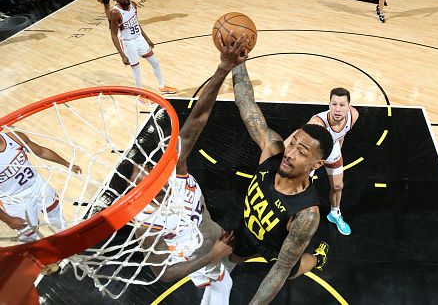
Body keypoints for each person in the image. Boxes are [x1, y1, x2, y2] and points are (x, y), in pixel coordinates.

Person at [133, 34, 250, 304]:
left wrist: (223, 69)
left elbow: (198, 117)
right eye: (142, 180)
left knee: (225, 275)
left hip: (215, 238)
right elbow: (163, 274)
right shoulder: (147, 223)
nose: (151, 176)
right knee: (222, 284)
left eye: (150, 170)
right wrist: (212, 256)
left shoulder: (173, 171)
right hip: (200, 261)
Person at [230, 62, 332, 304]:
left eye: (302, 151)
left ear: (316, 165)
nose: (290, 152)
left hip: (276, 250)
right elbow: (246, 104)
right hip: (249, 229)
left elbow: (279, 270)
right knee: (233, 258)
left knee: (293, 271)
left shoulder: (306, 215)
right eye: (293, 142)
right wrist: (235, 61)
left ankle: (318, 258)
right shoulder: (272, 149)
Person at [0, 131, 81, 242]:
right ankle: (33, 254)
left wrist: (67, 164)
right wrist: (8, 219)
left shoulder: (14, 137)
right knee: (29, 235)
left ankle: (71, 241)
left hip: (37, 184)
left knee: (56, 216)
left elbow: (41, 152)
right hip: (15, 199)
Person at [306, 88, 358, 235]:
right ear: (328, 105)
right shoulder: (317, 123)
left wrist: (338, 149)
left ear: (349, 106)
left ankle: (334, 213)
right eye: (334, 104)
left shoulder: (353, 115)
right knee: (303, 188)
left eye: (342, 105)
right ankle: (296, 215)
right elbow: (300, 143)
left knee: (338, 185)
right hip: (312, 154)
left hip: (332, 148)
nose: (337, 109)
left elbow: (342, 134)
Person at [109, 0, 178, 95]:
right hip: (128, 43)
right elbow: (113, 35)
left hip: (139, 39)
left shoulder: (133, 5)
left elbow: (136, 23)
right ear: (115, 0)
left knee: (155, 62)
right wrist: (122, 55)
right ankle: (139, 94)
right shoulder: (115, 12)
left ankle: (162, 87)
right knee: (136, 69)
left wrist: (146, 38)